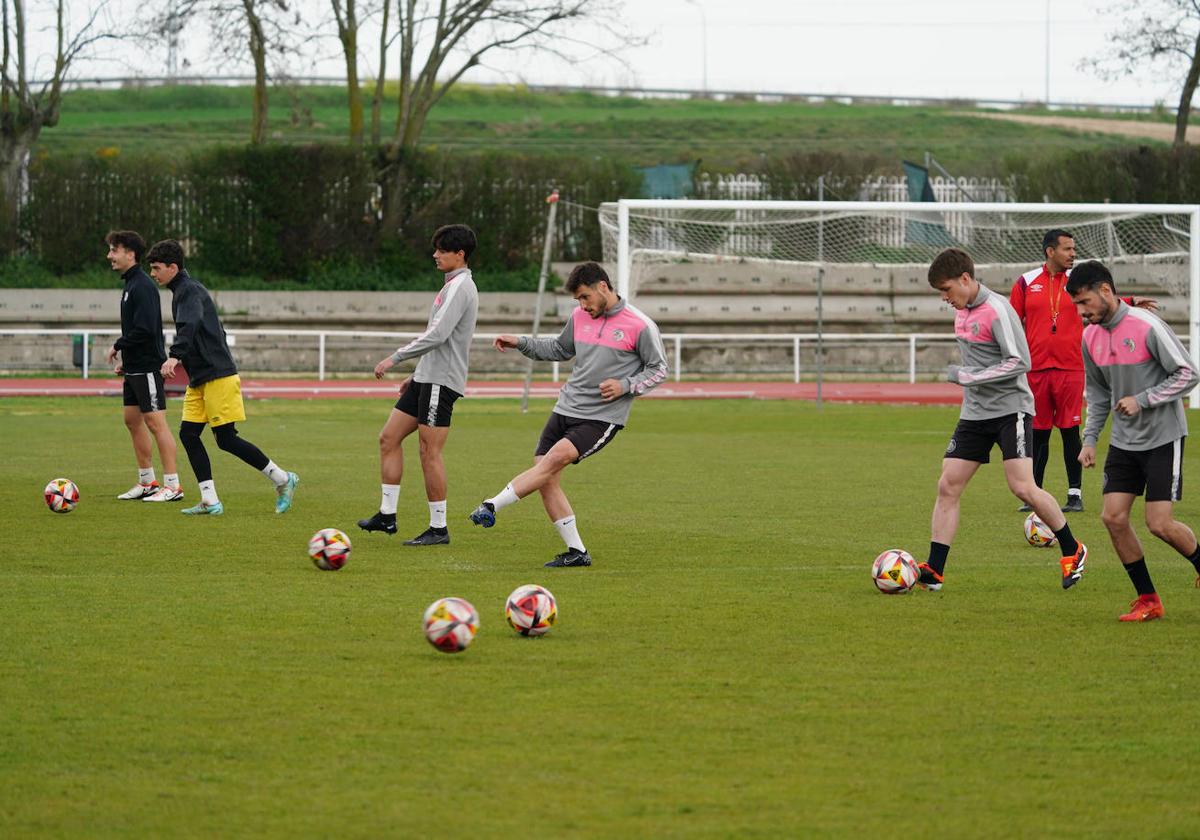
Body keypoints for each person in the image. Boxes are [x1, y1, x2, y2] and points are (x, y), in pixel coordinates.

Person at [468, 261, 668, 567]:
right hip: (564, 407)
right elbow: (560, 349)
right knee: (545, 478)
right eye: (578, 300)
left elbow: (659, 370)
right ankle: (577, 552)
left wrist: (626, 385)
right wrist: (521, 342)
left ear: (603, 287)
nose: (582, 305)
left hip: (601, 417)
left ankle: (491, 505)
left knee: (553, 461)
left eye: (585, 297)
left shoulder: (640, 325)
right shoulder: (579, 316)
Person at [921, 248, 1088, 591]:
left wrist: (972, 378)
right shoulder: (961, 312)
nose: (945, 298)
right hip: (975, 413)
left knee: (1022, 487)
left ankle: (1073, 549)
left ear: (965, 279)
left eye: (947, 290)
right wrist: (971, 380)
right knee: (947, 485)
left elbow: (1020, 361)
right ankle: (935, 571)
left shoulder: (998, 309)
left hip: (1010, 409)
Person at [1068, 261, 1200, 622]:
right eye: (1077, 305)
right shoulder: (1089, 336)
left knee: (1159, 524)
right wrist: (1090, 439)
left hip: (1163, 436)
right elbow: (1096, 394)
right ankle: (1148, 600)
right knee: (1113, 518)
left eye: (1084, 302)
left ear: (1106, 291)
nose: (1082, 312)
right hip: (1125, 443)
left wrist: (1143, 399)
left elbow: (1188, 373)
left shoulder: (1146, 325)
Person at [148, 239, 298, 516]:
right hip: (200, 378)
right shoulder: (180, 291)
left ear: (173, 267)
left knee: (226, 438)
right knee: (189, 434)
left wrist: (174, 355)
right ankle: (209, 500)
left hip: (217, 375)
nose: (153, 274)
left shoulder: (189, 291)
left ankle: (283, 479)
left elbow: (190, 325)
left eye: (156, 268)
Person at [1010, 229, 1156, 513]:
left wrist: (1130, 302)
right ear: (1050, 251)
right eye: (1067, 249)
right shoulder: (1026, 282)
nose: (1073, 254)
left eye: (1073, 249)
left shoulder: (1078, 283)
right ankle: (1034, 495)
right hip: (1035, 370)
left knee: (1069, 431)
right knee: (1037, 434)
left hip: (1071, 368)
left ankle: (1074, 494)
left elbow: (1102, 302)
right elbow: (1012, 321)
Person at [358, 224, 480, 545]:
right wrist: (417, 374)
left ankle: (438, 529)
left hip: (441, 381)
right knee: (388, 438)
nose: (435, 255)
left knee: (429, 452)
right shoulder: (450, 285)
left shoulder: (461, 287)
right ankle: (387, 516)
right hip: (427, 377)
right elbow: (442, 339)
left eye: (441, 250)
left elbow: (437, 336)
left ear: (460, 254)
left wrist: (394, 358)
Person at [103, 230, 183, 502]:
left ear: (130, 254)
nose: (109, 256)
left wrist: (119, 344)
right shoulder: (130, 285)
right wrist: (127, 360)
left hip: (148, 367)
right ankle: (147, 481)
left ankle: (173, 486)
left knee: (156, 423)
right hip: (135, 367)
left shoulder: (143, 286)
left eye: (114, 250)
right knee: (131, 420)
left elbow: (146, 330)